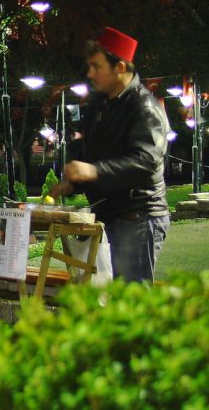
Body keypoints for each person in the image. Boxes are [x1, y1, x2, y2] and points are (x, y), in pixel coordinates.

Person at [50, 27, 170, 282]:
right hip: (112, 213)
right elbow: (93, 153)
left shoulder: (143, 107)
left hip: (138, 214)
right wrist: (72, 182)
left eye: (96, 66)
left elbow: (146, 161)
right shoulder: (101, 104)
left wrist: (93, 171)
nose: (90, 73)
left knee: (131, 299)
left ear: (121, 67)